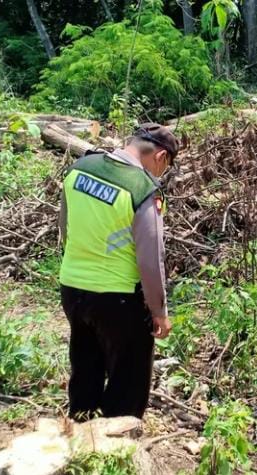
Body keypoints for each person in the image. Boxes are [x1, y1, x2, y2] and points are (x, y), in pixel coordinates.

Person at [58, 123, 178, 420]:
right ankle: (117, 451)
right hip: (118, 300)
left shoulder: (79, 169)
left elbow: (65, 228)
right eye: (165, 168)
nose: (160, 175)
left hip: (72, 289)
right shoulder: (142, 189)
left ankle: (81, 435)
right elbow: (151, 260)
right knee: (129, 382)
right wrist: (159, 311)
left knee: (86, 366)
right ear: (161, 156)